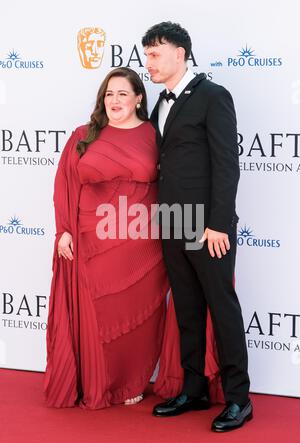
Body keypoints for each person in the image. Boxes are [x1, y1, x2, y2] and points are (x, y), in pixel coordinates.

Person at [44, 66, 223, 410]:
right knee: (98, 316)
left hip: (142, 241)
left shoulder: (156, 134)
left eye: (123, 93)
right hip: (91, 242)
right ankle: (99, 382)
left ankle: (131, 381)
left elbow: (178, 179)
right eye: (109, 94)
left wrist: (202, 221)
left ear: (139, 98)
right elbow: (65, 184)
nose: (115, 100)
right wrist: (63, 229)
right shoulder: (84, 134)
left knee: (139, 317)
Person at [142, 22, 252, 432]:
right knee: (187, 310)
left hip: (207, 227)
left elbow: (227, 164)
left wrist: (219, 223)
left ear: (180, 54)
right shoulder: (160, 102)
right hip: (172, 222)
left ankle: (239, 398)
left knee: (222, 309)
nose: (148, 62)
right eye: (147, 54)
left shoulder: (213, 96)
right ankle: (194, 388)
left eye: (155, 53)